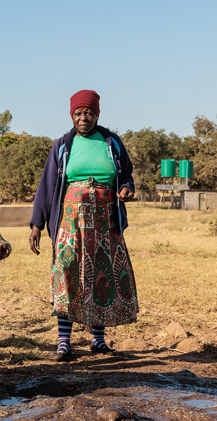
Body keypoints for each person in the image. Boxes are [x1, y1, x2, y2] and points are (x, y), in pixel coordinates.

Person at [29, 90, 138, 362]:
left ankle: (98, 341)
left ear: (97, 114)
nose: (83, 118)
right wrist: (36, 225)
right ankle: (64, 343)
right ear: (72, 116)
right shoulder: (63, 145)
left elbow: (126, 176)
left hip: (105, 223)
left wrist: (126, 188)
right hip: (70, 221)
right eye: (78, 113)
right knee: (66, 273)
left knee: (100, 276)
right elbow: (47, 186)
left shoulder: (111, 142)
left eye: (88, 112)